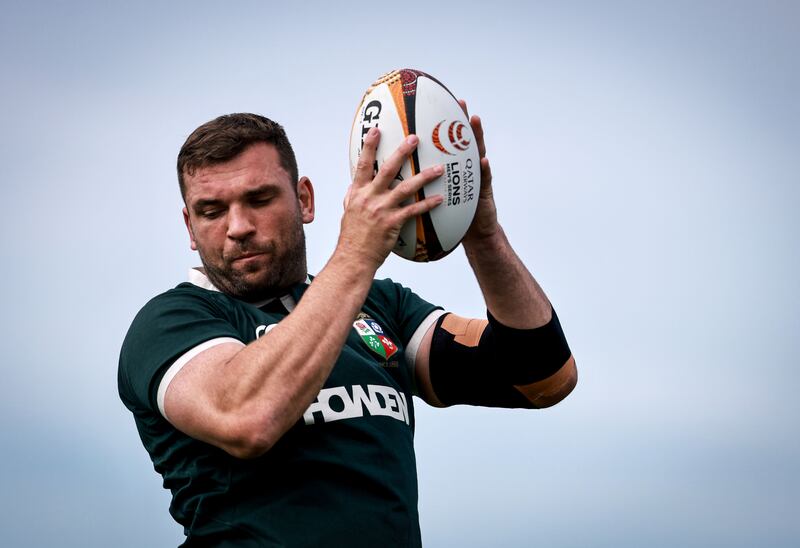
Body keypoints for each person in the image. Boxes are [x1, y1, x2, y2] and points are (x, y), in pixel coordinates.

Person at [118, 107, 577, 547]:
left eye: (259, 199)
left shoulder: (379, 306)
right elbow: (248, 419)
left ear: (304, 199)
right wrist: (357, 251)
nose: (238, 227)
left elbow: (541, 376)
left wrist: (482, 234)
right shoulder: (171, 321)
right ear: (190, 226)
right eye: (212, 211)